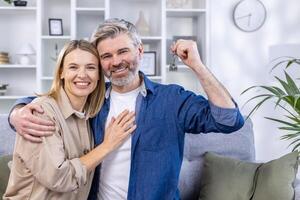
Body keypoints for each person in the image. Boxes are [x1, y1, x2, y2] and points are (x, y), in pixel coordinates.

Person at [8, 18, 244, 199]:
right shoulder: (92, 99)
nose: (116, 61)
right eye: (106, 56)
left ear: (139, 51)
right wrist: (16, 112)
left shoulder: (172, 100)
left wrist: (197, 66)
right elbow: (51, 99)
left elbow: (229, 120)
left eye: (123, 51)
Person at [3, 40, 136, 199]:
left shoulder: (87, 114)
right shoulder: (41, 112)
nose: (82, 75)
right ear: (61, 72)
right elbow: (60, 178)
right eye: (73, 67)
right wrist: (107, 146)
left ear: (99, 76)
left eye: (91, 67)